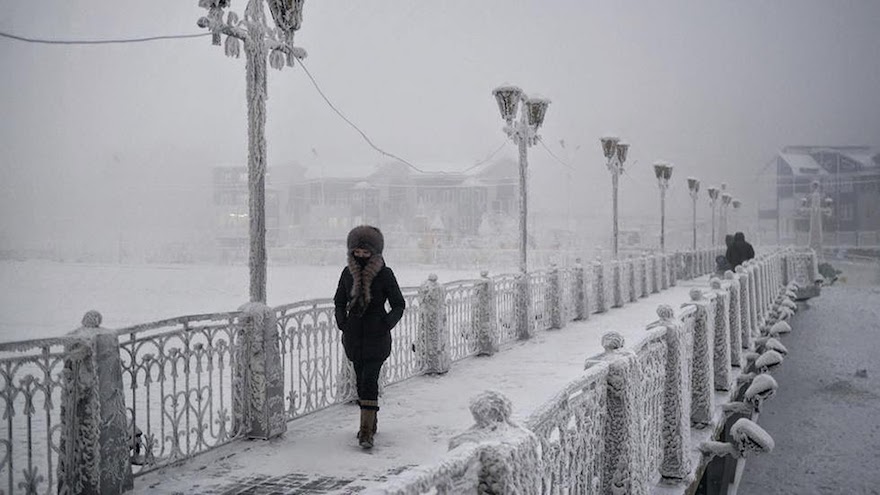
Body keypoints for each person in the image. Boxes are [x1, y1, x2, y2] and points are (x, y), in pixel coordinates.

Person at [334, 225, 405, 449]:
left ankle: (365, 432)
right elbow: (338, 301)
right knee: (360, 382)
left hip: (376, 336)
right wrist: (343, 323)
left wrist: (385, 323)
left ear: (376, 252)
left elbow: (398, 304)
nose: (361, 256)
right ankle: (371, 422)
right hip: (354, 337)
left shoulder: (385, 274)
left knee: (369, 381)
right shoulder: (347, 274)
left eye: (366, 252)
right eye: (357, 252)